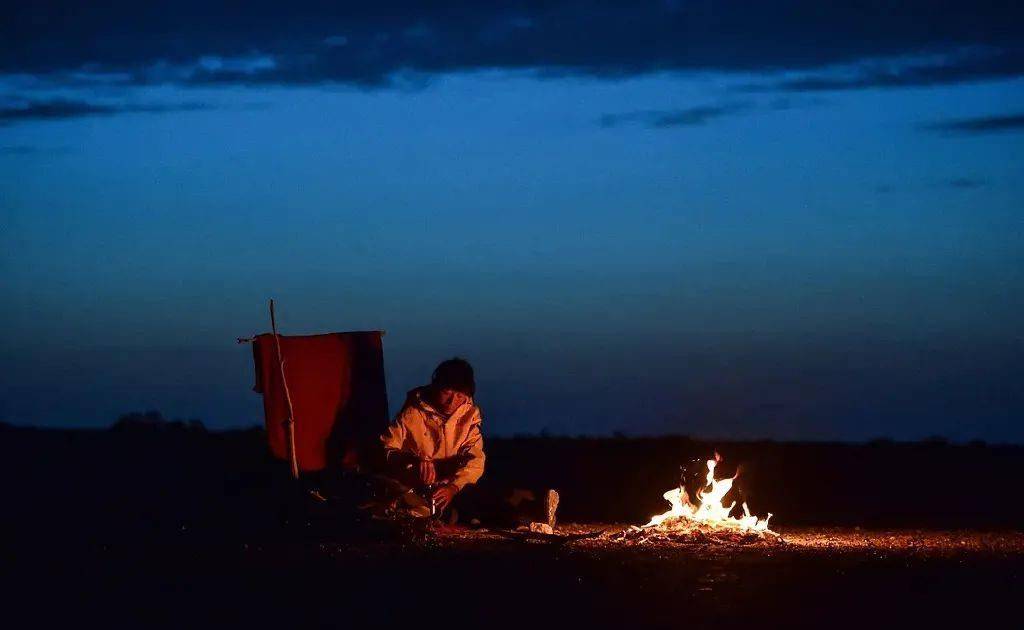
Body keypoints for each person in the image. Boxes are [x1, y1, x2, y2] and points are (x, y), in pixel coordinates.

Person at [380, 357, 485, 515]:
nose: (452, 402)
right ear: (436, 387)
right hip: (413, 484)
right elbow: (386, 448)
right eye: (446, 392)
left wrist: (454, 486)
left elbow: (475, 459)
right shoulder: (412, 412)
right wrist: (412, 460)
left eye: (459, 396)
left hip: (448, 488)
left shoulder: (469, 416)